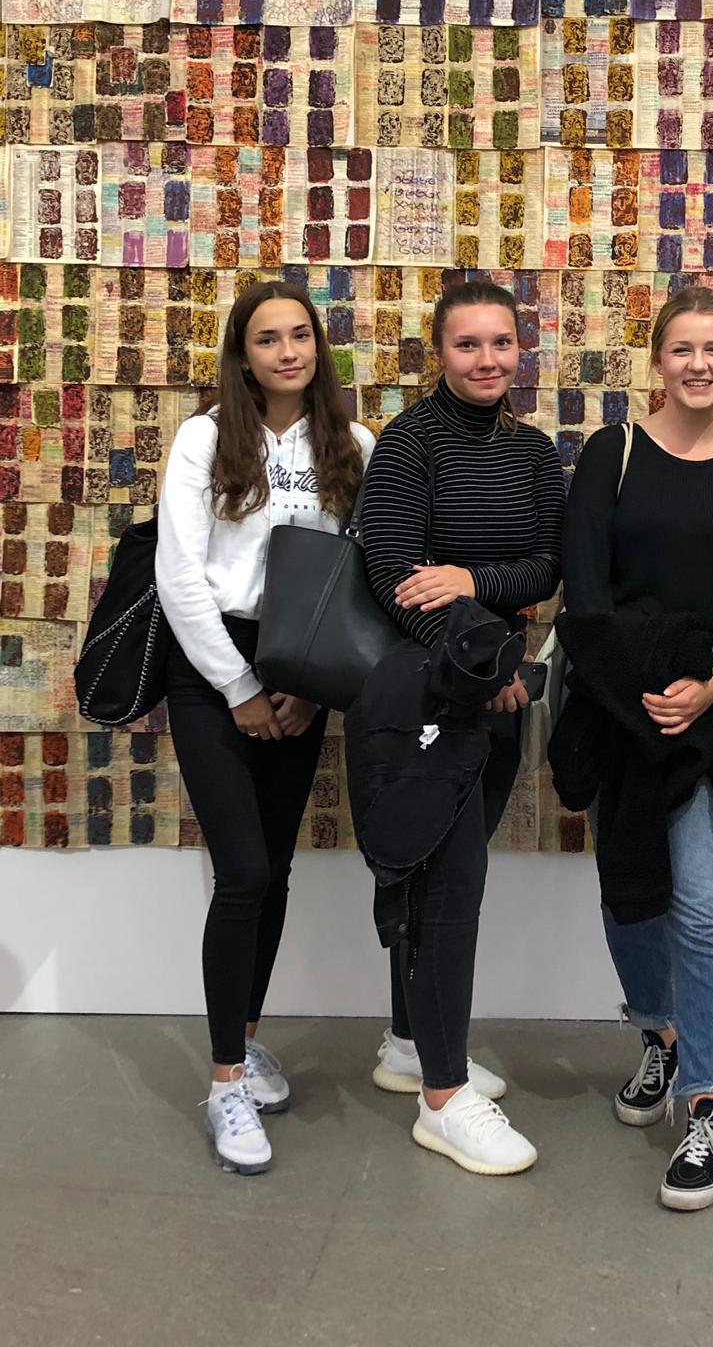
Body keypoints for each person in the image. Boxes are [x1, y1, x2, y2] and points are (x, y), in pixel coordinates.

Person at [559, 285, 713, 1211]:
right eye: (682, 349)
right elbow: (586, 590)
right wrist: (637, 696)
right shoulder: (610, 454)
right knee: (630, 899)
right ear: (656, 360)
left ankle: (707, 1104)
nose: (699, 365)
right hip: (619, 708)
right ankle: (660, 1035)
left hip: (708, 711)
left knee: (703, 904)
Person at [156, 280, 375, 1174]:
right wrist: (239, 684)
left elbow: (358, 576)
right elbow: (179, 576)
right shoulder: (206, 438)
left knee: (273, 871)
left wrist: (312, 692)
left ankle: (243, 1043)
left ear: (318, 348)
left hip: (302, 665)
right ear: (242, 356)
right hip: (213, 666)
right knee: (242, 872)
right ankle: (223, 1085)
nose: (289, 352)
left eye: (301, 336)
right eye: (268, 339)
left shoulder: (354, 443)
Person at [359, 276, 565, 1177]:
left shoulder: (534, 452)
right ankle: (442, 1100)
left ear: (521, 349)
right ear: (438, 352)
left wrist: (475, 583)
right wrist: (481, 668)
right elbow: (395, 578)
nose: (487, 360)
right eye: (467, 344)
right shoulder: (409, 442)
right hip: (429, 697)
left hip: (502, 689)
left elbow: (548, 567)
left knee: (445, 877)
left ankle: (410, 1045)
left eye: (501, 343)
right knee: (445, 890)